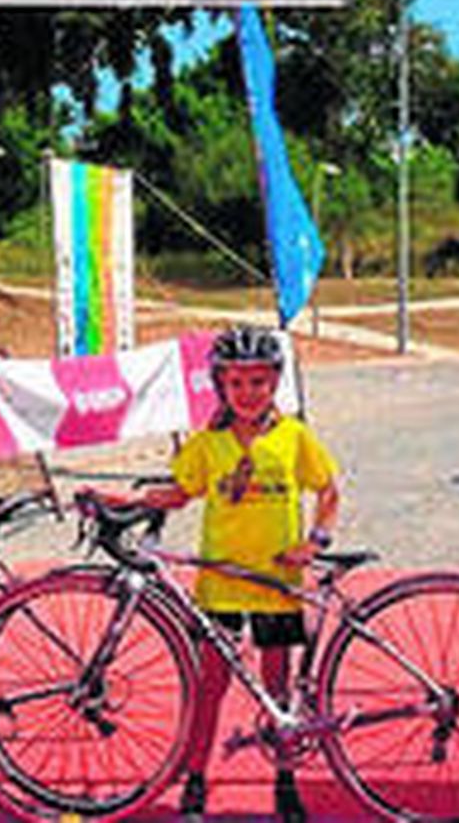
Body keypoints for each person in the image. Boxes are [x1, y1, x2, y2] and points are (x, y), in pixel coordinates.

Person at [96, 325, 339, 822]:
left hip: (277, 588)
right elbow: (178, 492)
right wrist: (124, 499)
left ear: (275, 383)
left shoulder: (295, 437)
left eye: (259, 383)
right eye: (237, 383)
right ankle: (195, 777)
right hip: (221, 584)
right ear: (221, 386)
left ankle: (284, 780)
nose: (249, 394)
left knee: (277, 690)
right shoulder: (208, 443)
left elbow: (329, 489)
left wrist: (315, 541)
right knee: (210, 686)